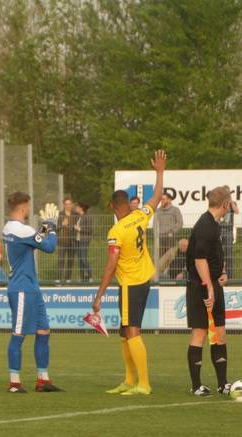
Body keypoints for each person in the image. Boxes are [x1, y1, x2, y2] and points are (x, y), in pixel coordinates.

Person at [91, 150, 167, 396]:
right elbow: (156, 197)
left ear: (113, 206)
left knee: (132, 330)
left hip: (130, 284)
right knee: (125, 331)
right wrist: (160, 172)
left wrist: (99, 295)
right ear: (127, 203)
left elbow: (111, 265)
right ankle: (129, 379)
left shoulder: (116, 231)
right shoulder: (139, 216)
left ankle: (143, 383)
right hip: (142, 280)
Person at [2, 193, 63, 393]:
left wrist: (44, 228)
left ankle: (43, 380)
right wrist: (52, 227)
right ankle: (14, 383)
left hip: (30, 288)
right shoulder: (23, 230)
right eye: (28, 207)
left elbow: (33, 239)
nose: (29, 210)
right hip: (22, 289)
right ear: (22, 207)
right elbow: (49, 246)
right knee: (18, 334)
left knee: (43, 331)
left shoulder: (10, 228)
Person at [184, 186, 233, 396]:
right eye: (230, 202)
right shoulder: (205, 225)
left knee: (219, 333)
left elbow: (213, 255)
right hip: (201, 286)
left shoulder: (214, 224)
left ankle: (223, 384)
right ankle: (196, 386)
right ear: (225, 204)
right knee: (200, 332)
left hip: (212, 283)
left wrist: (222, 272)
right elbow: (199, 259)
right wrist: (209, 287)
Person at [156, 193, 183, 261]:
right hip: (160, 237)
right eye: (161, 199)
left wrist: (172, 232)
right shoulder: (158, 211)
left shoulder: (175, 210)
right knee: (160, 258)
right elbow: (155, 223)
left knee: (170, 257)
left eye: (164, 199)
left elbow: (180, 223)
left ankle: (170, 268)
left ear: (169, 200)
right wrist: (156, 234)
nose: (162, 201)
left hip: (170, 237)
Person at [219, 194, 239, 279]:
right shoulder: (219, 204)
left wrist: (231, 202)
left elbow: (237, 211)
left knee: (229, 255)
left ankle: (230, 276)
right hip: (219, 231)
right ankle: (220, 274)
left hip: (229, 232)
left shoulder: (232, 203)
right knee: (219, 254)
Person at [56, 197, 76, 282]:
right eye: (66, 204)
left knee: (70, 261)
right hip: (62, 241)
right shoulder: (60, 215)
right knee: (61, 260)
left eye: (69, 204)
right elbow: (56, 228)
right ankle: (59, 279)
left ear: (72, 205)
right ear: (64, 205)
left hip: (72, 241)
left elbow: (78, 226)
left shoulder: (75, 215)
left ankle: (68, 279)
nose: (68, 206)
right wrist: (62, 225)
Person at [74, 202, 92, 282]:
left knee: (83, 259)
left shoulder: (87, 217)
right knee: (80, 259)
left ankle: (90, 275)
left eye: (77, 207)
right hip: (78, 240)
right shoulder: (79, 217)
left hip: (84, 241)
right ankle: (82, 277)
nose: (76, 208)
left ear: (81, 208)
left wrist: (79, 229)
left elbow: (89, 230)